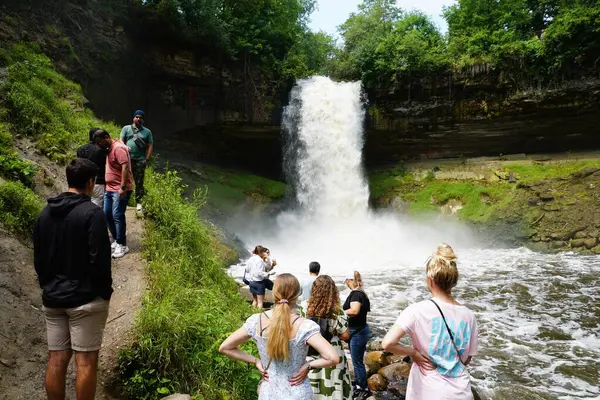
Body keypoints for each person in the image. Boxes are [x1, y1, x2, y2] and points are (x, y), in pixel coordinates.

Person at [33, 158, 112, 400]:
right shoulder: (93, 214)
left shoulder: (45, 213)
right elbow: (100, 259)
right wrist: (103, 291)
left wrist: (48, 285)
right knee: (86, 361)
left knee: (56, 358)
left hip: (54, 298)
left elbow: (38, 257)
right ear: (90, 183)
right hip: (85, 300)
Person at [219, 273, 340, 399]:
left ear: (274, 292)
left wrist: (256, 361)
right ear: (298, 294)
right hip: (297, 393)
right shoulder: (305, 326)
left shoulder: (256, 321)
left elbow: (225, 347)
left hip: (268, 393)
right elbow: (332, 358)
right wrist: (308, 366)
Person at [381, 244, 479, 400]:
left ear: (430, 280)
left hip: (429, 391)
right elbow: (467, 358)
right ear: (453, 281)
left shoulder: (416, 310)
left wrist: (413, 353)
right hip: (462, 393)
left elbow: (387, 343)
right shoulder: (469, 315)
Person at [306, 275, 353, 400]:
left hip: (310, 348)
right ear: (333, 291)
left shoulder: (304, 308)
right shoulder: (337, 311)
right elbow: (346, 334)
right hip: (332, 349)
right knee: (333, 380)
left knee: (313, 378)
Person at [94, 130, 133, 259]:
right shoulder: (109, 147)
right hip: (109, 188)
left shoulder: (118, 148)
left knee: (117, 215)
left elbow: (125, 167)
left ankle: (122, 245)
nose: (99, 145)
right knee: (107, 214)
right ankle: (117, 240)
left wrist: (123, 187)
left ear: (106, 137)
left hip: (119, 189)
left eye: (100, 142)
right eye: (97, 143)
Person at [343, 271, 371, 398]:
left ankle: (363, 389)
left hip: (358, 332)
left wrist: (339, 312)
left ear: (350, 280)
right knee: (357, 360)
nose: (345, 284)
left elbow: (354, 311)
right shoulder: (361, 292)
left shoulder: (356, 294)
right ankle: (360, 383)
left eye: (346, 281)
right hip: (361, 330)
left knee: (357, 362)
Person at [120, 109, 153, 216]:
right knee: (125, 180)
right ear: (133, 118)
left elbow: (150, 146)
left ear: (143, 120)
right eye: (137, 117)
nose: (138, 119)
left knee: (139, 182)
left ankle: (139, 202)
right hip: (127, 160)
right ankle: (124, 201)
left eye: (140, 117)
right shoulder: (126, 128)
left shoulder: (147, 132)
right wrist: (125, 147)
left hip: (140, 160)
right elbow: (121, 141)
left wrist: (146, 159)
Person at [76, 128, 108, 208]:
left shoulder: (80, 149)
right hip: (98, 182)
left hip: (83, 181)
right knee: (96, 207)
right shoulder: (101, 150)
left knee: (83, 205)